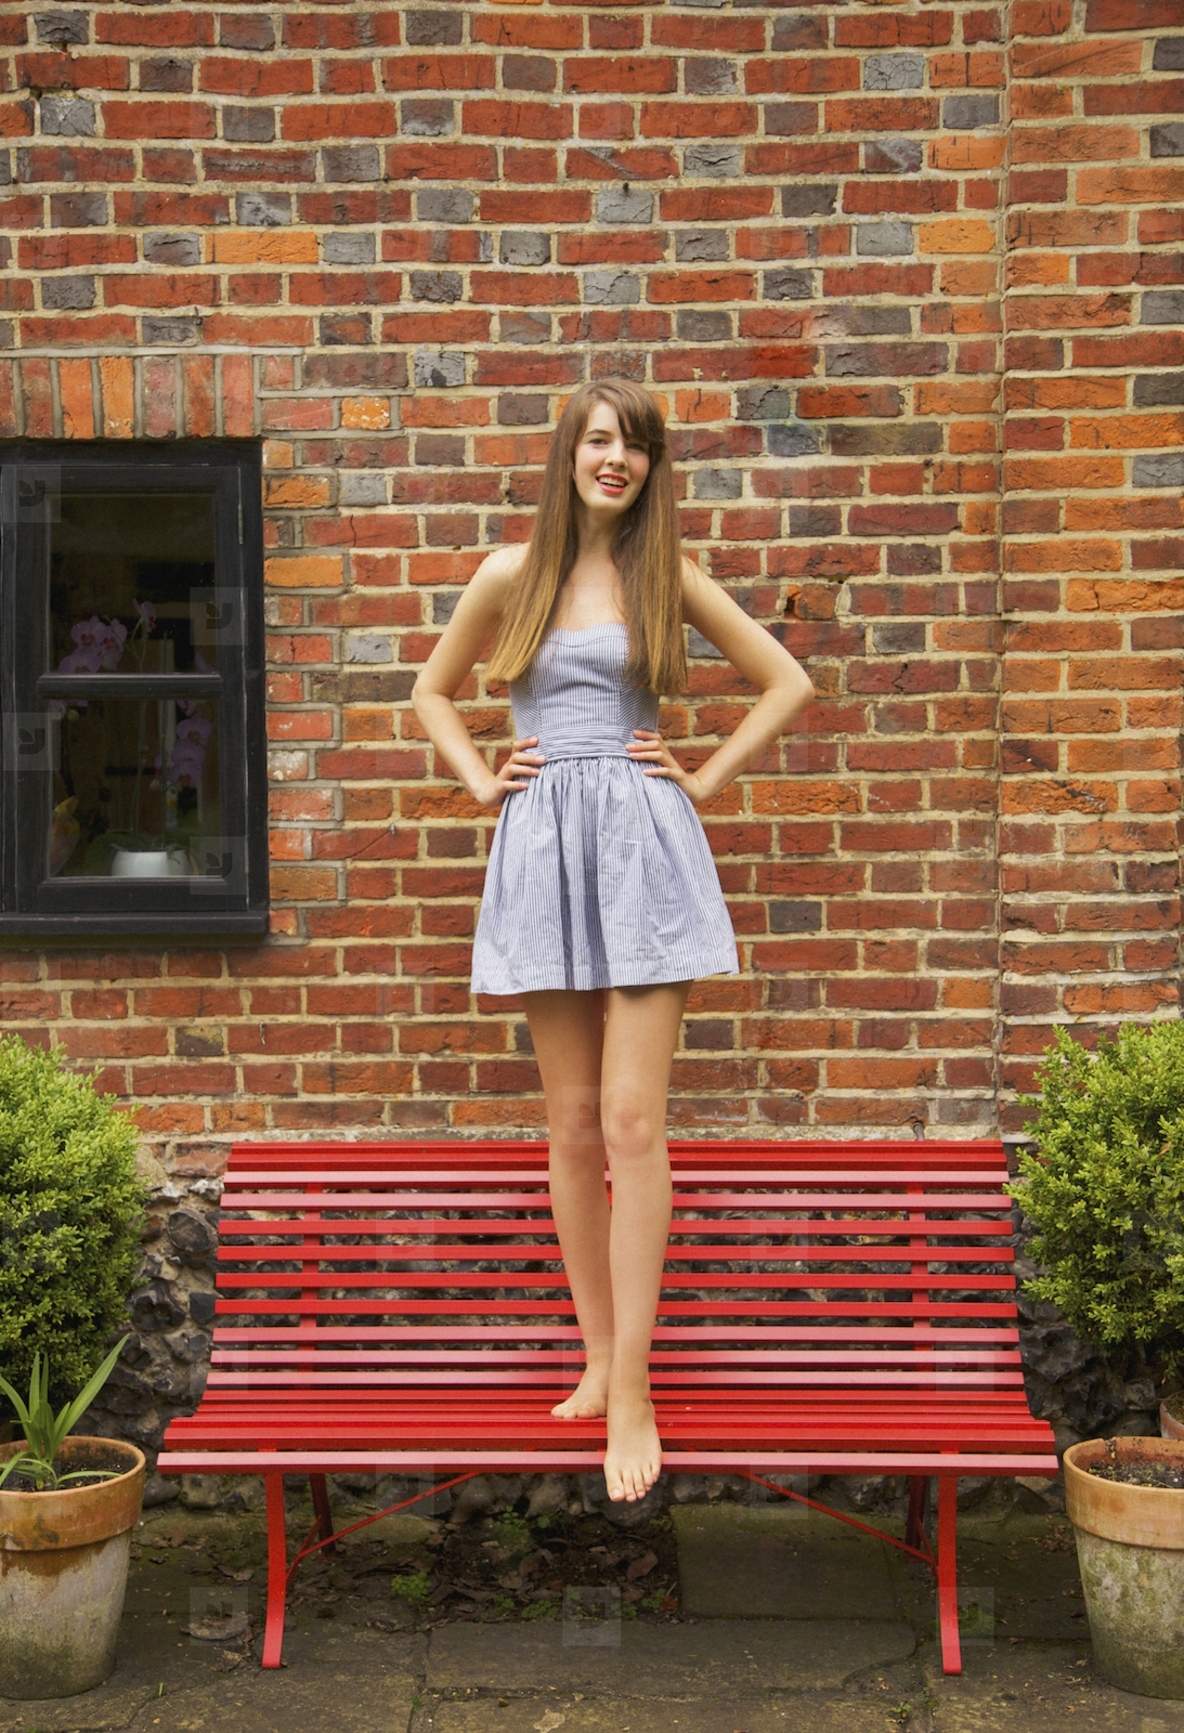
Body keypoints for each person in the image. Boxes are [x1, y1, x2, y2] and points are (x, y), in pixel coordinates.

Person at [412, 379, 814, 1503]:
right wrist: (483, 779)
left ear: (649, 466)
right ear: (568, 453)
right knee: (573, 1124)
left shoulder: (665, 575)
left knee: (635, 1122)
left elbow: (784, 680)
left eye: (634, 446)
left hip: (643, 845)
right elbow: (429, 691)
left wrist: (701, 774)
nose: (615, 460)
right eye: (599, 440)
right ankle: (593, 1354)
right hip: (541, 847)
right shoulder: (510, 574)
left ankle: (631, 1383)